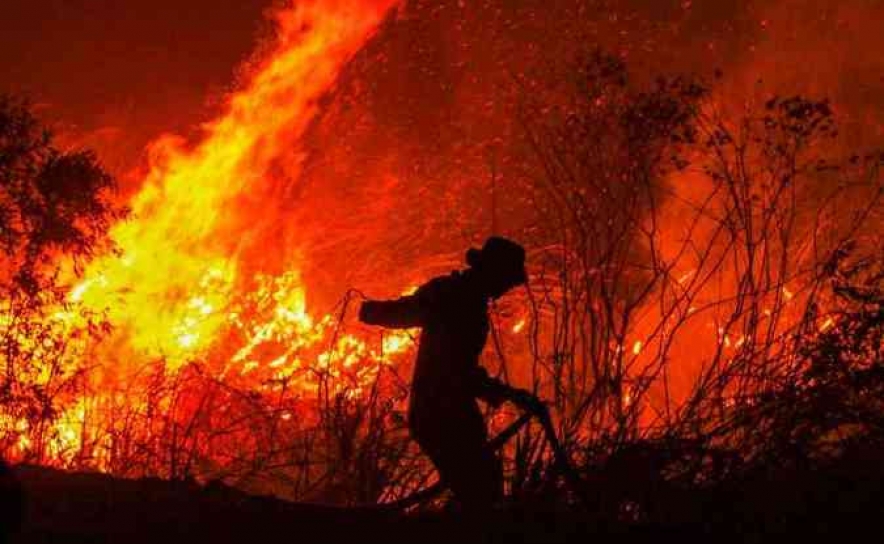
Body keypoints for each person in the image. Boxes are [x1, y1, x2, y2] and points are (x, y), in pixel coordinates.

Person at [359, 236, 539, 511]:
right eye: (506, 280)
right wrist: (373, 311)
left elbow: (460, 369)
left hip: (446, 410)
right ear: (492, 273)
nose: (507, 288)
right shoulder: (455, 299)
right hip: (441, 414)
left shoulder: (459, 297)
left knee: (480, 487)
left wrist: (374, 311)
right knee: (481, 493)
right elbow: (459, 372)